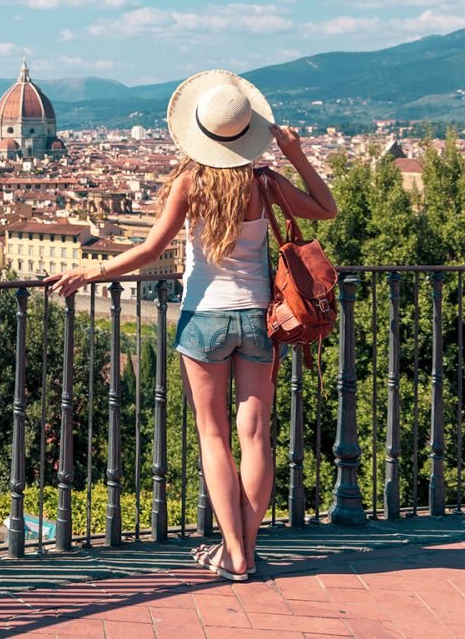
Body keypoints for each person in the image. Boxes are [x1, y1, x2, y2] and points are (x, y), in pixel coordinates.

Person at [46, 70, 337, 581]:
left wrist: (93, 270)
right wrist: (294, 153)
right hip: (258, 320)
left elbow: (150, 250)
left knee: (213, 436)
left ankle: (234, 553)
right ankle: (244, 547)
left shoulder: (189, 182)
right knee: (257, 436)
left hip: (204, 318)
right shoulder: (264, 182)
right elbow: (326, 210)